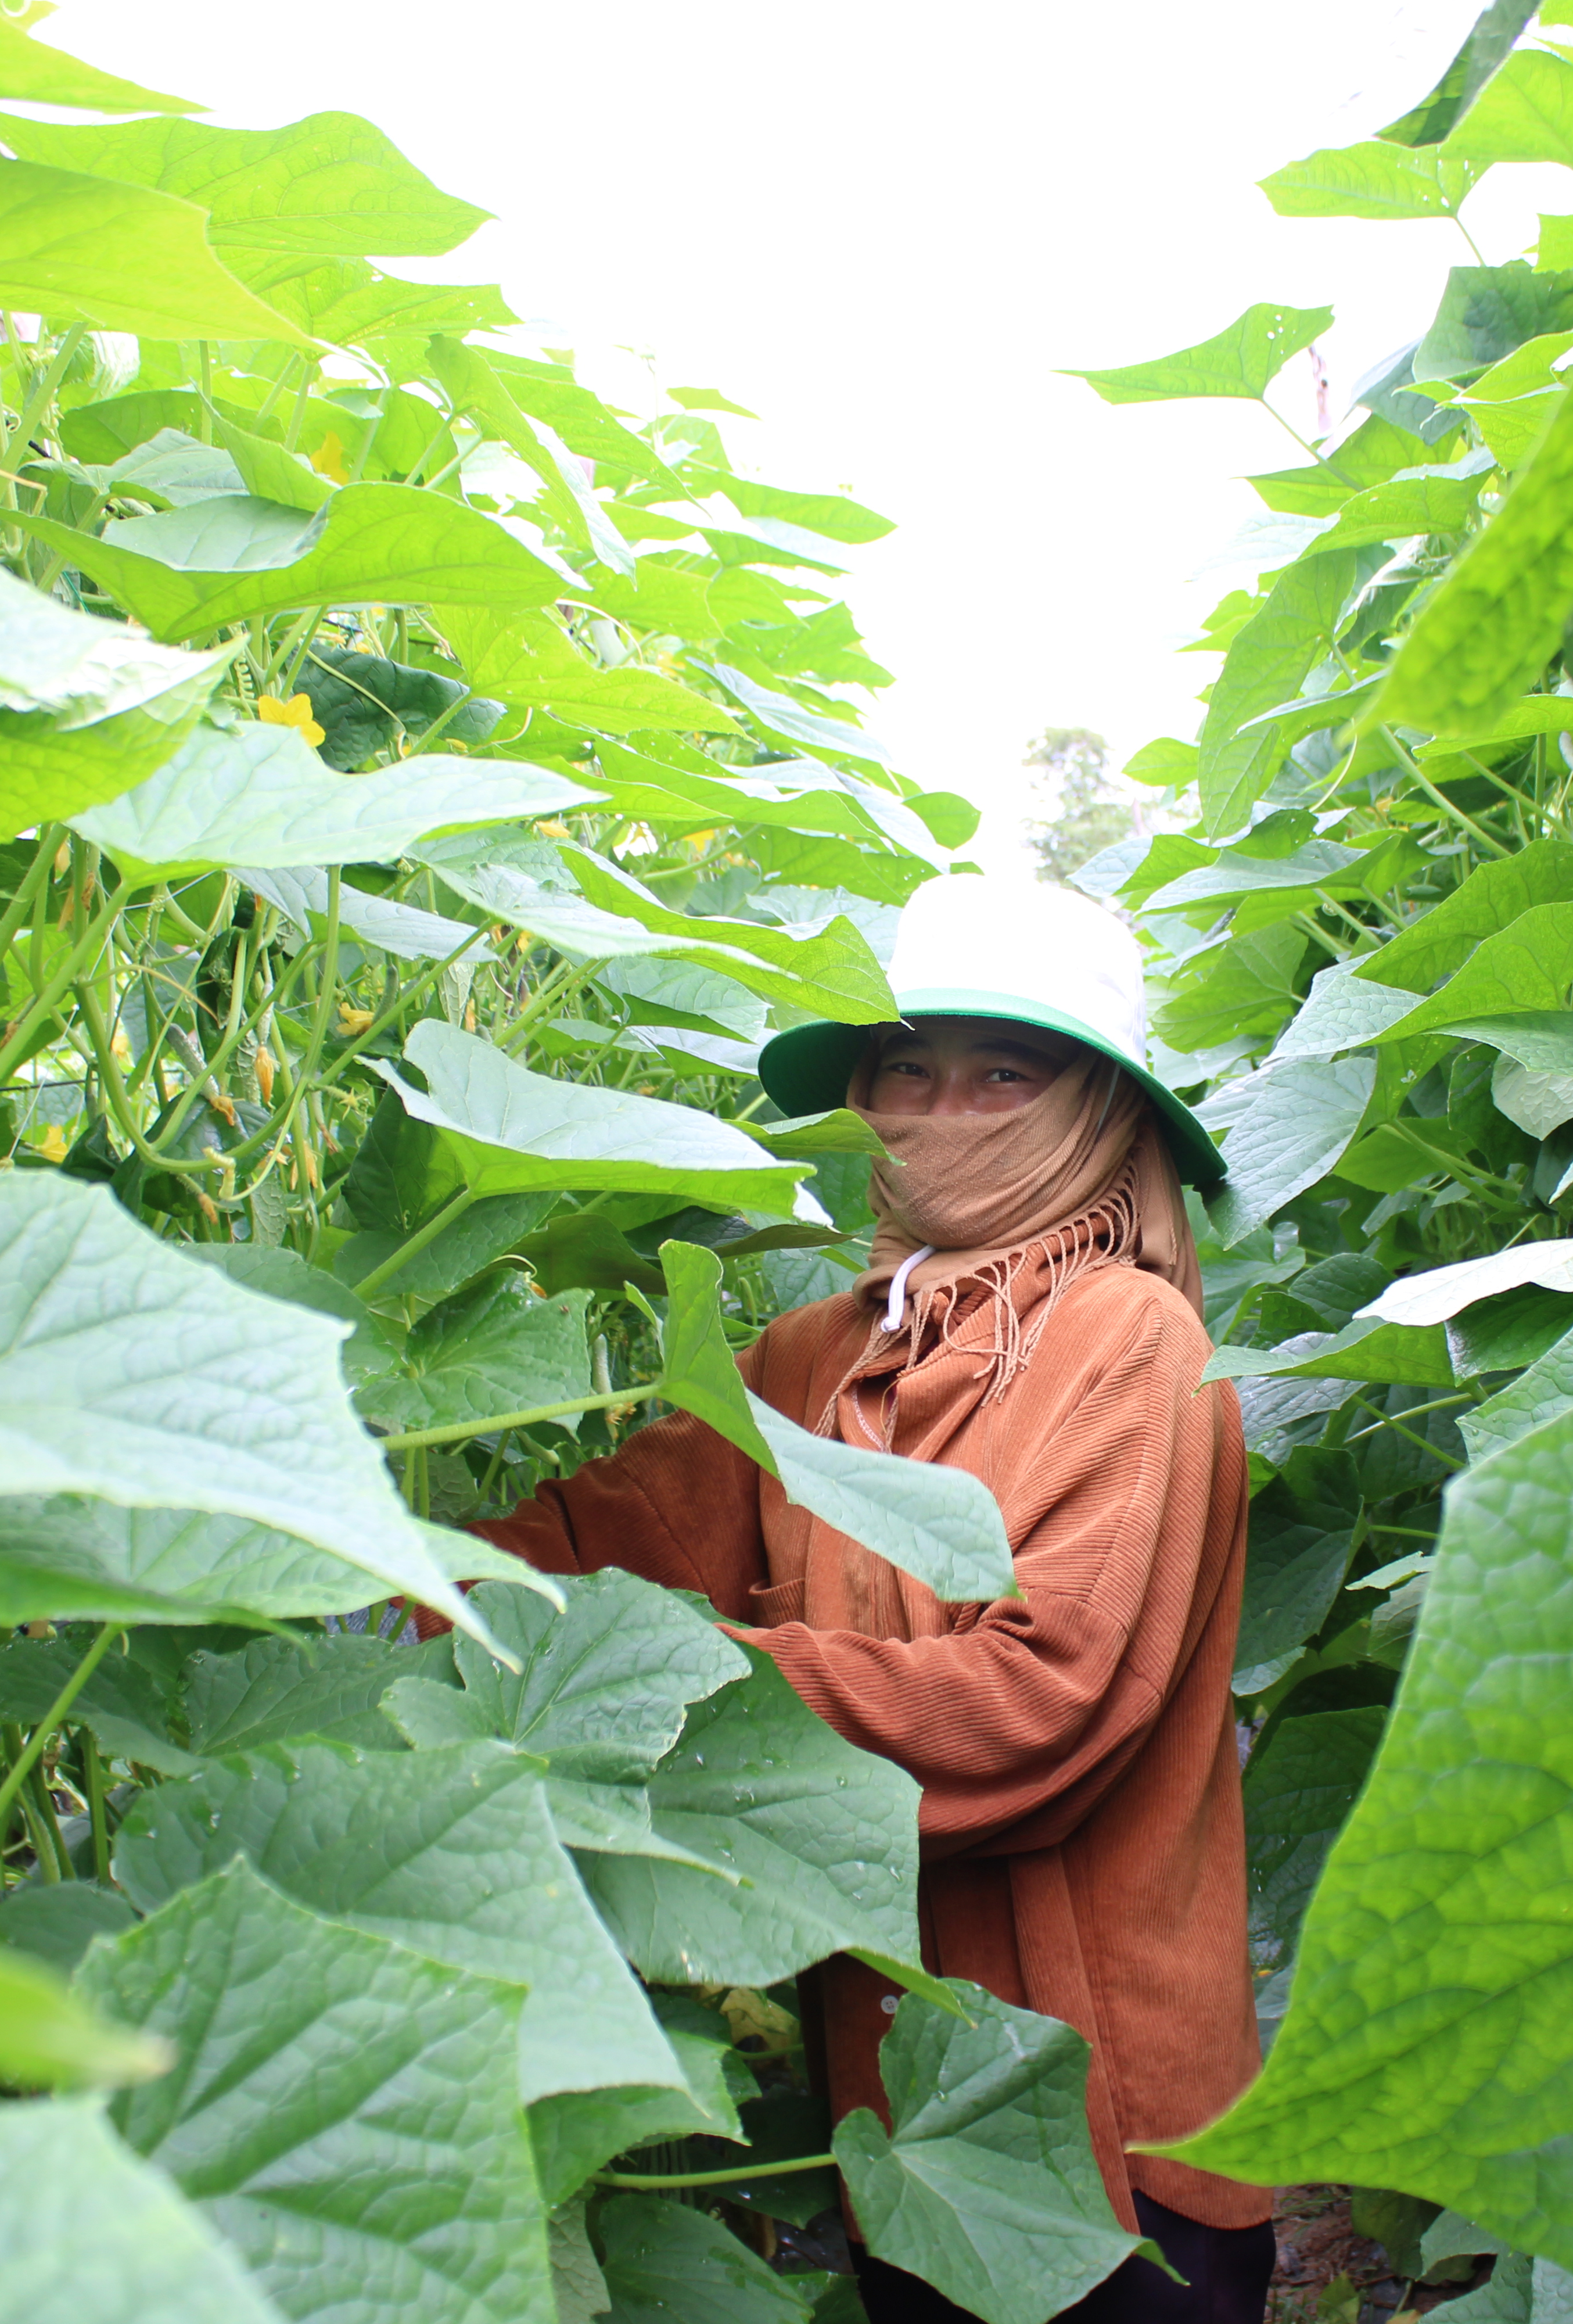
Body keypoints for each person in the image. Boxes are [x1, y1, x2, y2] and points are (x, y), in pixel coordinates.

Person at [472, 871, 1272, 2324]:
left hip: (1107, 2122)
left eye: (1003, 1074)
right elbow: (605, 1536)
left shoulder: (1134, 1342)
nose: (942, 1110)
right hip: (893, 2106)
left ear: (1097, 1108)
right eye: (908, 1071)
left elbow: (1039, 1704)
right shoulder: (811, 1355)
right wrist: (378, 1557)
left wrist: (652, 1673)